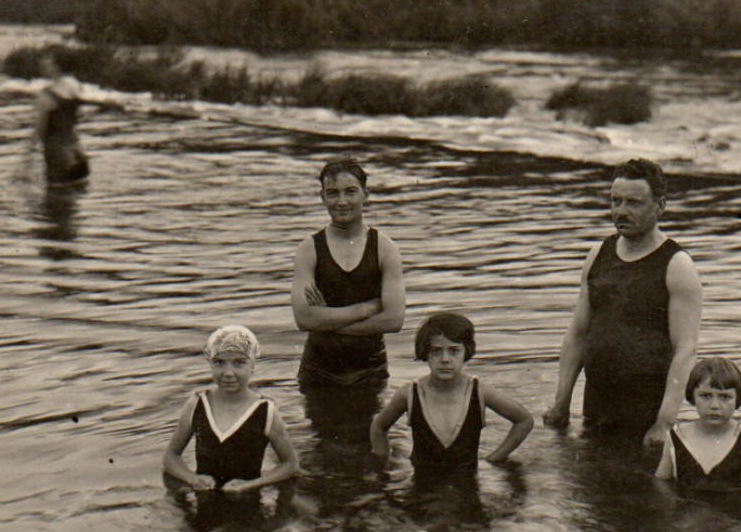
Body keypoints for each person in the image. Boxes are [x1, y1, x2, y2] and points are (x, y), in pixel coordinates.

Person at [544, 158, 702, 448]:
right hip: (596, 408)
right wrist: (561, 404)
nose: (621, 212)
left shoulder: (677, 265)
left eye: (633, 203)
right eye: (615, 201)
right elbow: (578, 335)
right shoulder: (597, 255)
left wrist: (663, 423)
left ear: (660, 206)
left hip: (647, 415)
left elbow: (686, 350)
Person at [291, 158, 406, 390]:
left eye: (350, 192)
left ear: (366, 194)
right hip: (318, 370)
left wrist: (326, 320)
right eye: (333, 193)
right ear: (322, 197)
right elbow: (304, 319)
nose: (342, 201)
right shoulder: (309, 248)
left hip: (370, 368)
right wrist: (364, 310)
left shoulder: (384, 248)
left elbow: (394, 320)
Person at [370, 312, 534, 471]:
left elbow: (524, 420)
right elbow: (378, 427)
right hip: (422, 482)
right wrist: (383, 464)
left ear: (466, 352)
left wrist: (495, 459)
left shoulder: (479, 391)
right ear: (425, 353)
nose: (445, 359)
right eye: (436, 351)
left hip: (467, 479)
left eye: (454, 351)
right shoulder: (410, 393)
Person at [163, 325, 299, 493]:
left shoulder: (265, 411)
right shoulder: (197, 404)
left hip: (249, 504)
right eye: (219, 363)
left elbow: (290, 464)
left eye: (239, 363)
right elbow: (171, 456)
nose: (228, 372)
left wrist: (250, 485)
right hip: (205, 503)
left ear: (252, 366)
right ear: (210, 363)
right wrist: (192, 479)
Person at [656, 357, 741, 492]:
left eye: (725, 397)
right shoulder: (676, 436)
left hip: (734, 512)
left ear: (738, 399)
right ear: (692, 396)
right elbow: (661, 482)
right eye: (705, 396)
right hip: (688, 512)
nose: (715, 406)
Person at [33, 51, 89, 185]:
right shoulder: (74, 84)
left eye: (46, 64)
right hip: (78, 152)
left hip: (58, 155)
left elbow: (39, 130)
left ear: (56, 66)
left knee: (56, 198)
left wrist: (25, 160)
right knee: (77, 192)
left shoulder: (46, 95)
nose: (42, 67)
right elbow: (77, 113)